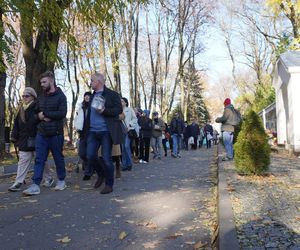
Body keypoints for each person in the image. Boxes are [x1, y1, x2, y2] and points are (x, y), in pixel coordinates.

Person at [23, 71, 68, 196]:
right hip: (42, 133)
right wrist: (39, 116)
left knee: (58, 158)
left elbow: (62, 113)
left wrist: (47, 114)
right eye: (41, 82)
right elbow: (34, 115)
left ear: (51, 81)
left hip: (56, 133)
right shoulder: (41, 98)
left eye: (44, 82)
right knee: (39, 159)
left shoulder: (61, 96)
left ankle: (61, 180)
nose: (42, 84)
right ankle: (35, 185)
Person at [85, 72, 124, 194]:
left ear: (99, 81)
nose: (90, 82)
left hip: (106, 131)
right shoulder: (91, 96)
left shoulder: (112, 94)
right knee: (90, 156)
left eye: (92, 80)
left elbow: (119, 110)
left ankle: (109, 184)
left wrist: (104, 111)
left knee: (107, 158)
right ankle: (101, 174)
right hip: (92, 131)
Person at [9, 88, 52, 191]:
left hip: (37, 138)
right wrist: (14, 136)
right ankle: (18, 182)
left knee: (41, 160)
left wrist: (37, 118)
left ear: (33, 96)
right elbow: (16, 124)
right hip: (24, 139)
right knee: (23, 160)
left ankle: (48, 178)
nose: (24, 98)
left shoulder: (38, 106)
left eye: (27, 96)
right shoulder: (21, 109)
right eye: (23, 96)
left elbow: (41, 121)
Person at [74, 91, 92, 179]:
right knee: (82, 153)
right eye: (85, 96)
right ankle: (90, 166)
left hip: (92, 133)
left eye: (88, 96)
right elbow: (77, 119)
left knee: (90, 154)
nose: (87, 97)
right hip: (82, 133)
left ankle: (88, 173)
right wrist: (76, 128)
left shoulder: (93, 108)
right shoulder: (81, 108)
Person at [120, 97, 138, 171]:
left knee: (126, 146)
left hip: (128, 131)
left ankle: (129, 164)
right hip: (120, 132)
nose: (121, 102)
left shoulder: (129, 110)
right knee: (122, 148)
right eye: (120, 101)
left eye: (122, 101)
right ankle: (124, 165)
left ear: (126, 103)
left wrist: (130, 125)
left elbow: (135, 119)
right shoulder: (118, 111)